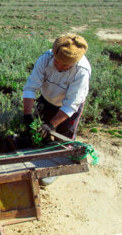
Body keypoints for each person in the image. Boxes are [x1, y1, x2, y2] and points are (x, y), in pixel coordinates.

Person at [22, 34, 91, 186]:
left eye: (65, 66)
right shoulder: (45, 59)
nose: (59, 67)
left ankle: (56, 168)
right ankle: (42, 159)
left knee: (63, 138)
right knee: (39, 132)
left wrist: (52, 125)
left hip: (68, 107)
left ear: (75, 62)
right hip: (47, 99)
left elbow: (71, 105)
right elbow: (30, 88)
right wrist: (27, 115)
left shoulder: (82, 71)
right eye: (57, 62)